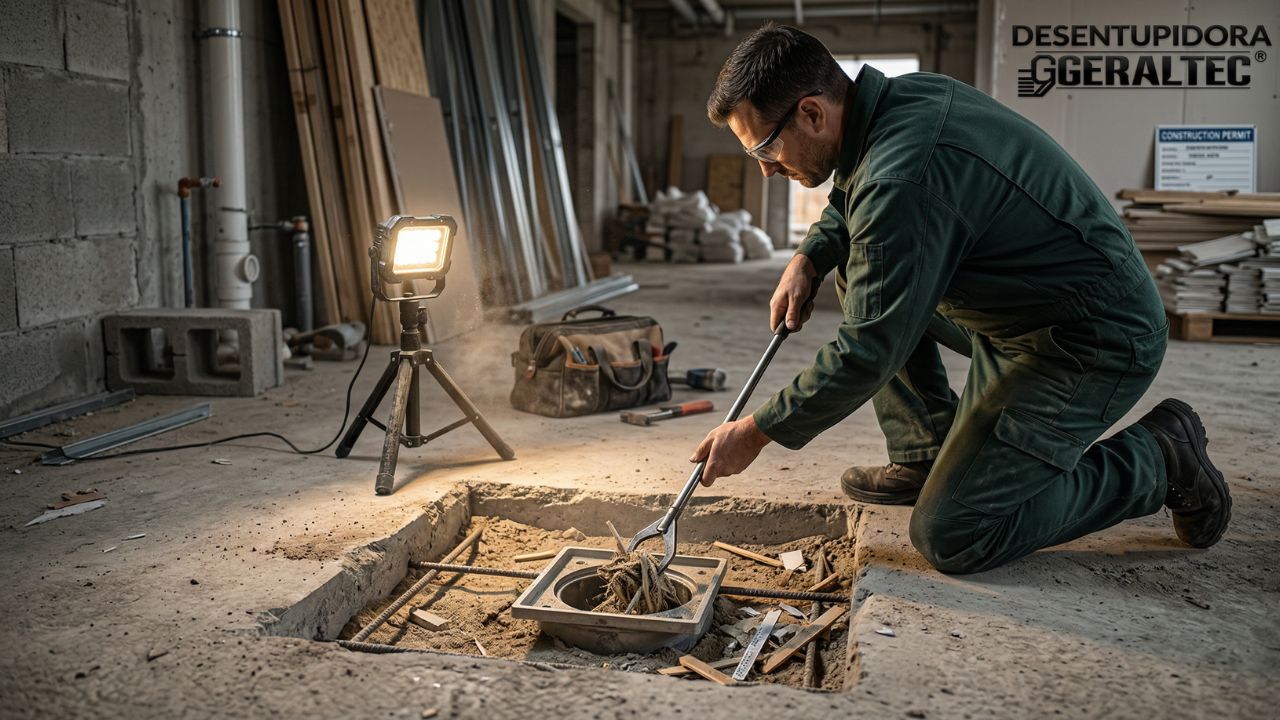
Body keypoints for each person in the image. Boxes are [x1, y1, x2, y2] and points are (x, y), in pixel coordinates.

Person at [688, 24, 1231, 574]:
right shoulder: (897, 104)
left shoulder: (904, 175)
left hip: (1091, 338)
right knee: (861, 272)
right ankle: (924, 453)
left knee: (954, 533)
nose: (764, 168)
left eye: (765, 147)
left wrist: (756, 432)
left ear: (811, 113)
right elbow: (854, 195)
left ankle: (1159, 458)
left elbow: (868, 350)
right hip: (1026, 307)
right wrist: (809, 256)